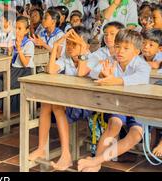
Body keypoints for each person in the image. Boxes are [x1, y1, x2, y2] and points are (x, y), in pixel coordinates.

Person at [79, 30, 151, 172]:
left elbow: (140, 78)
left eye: (125, 48)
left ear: (136, 52)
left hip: (138, 107)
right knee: (114, 124)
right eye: (117, 46)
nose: (120, 51)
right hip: (118, 105)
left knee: (136, 134)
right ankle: (97, 163)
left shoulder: (142, 65)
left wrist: (113, 80)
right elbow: (92, 72)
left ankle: (96, 160)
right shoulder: (111, 60)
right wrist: (102, 74)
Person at [30, 27, 92, 171]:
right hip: (69, 100)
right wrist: (56, 46)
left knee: (56, 106)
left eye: (73, 44)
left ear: (84, 45)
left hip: (86, 103)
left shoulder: (91, 56)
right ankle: (41, 148)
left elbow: (82, 74)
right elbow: (51, 70)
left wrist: (83, 49)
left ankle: (66, 155)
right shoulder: (66, 59)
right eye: (68, 43)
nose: (69, 47)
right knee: (46, 102)